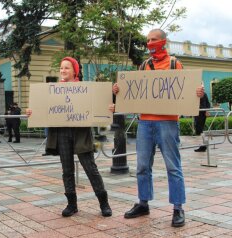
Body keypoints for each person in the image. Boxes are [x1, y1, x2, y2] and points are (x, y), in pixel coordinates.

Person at [113, 29, 204, 227]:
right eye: (147, 41)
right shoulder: (144, 65)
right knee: (142, 167)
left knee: (173, 167)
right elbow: (135, 91)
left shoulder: (174, 64)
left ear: (163, 42)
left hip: (168, 123)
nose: (150, 43)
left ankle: (178, 207)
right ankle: (143, 203)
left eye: (153, 40)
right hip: (145, 122)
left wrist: (198, 91)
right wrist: (119, 91)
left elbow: (188, 89)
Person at [26, 57, 112, 217]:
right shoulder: (53, 90)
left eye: (66, 68)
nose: (63, 71)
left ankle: (104, 203)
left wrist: (109, 107)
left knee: (90, 168)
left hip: (82, 132)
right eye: (61, 68)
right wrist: (32, 113)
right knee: (67, 170)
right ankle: (72, 204)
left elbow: (98, 107)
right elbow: (42, 110)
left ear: (74, 71)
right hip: (62, 132)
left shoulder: (84, 89)